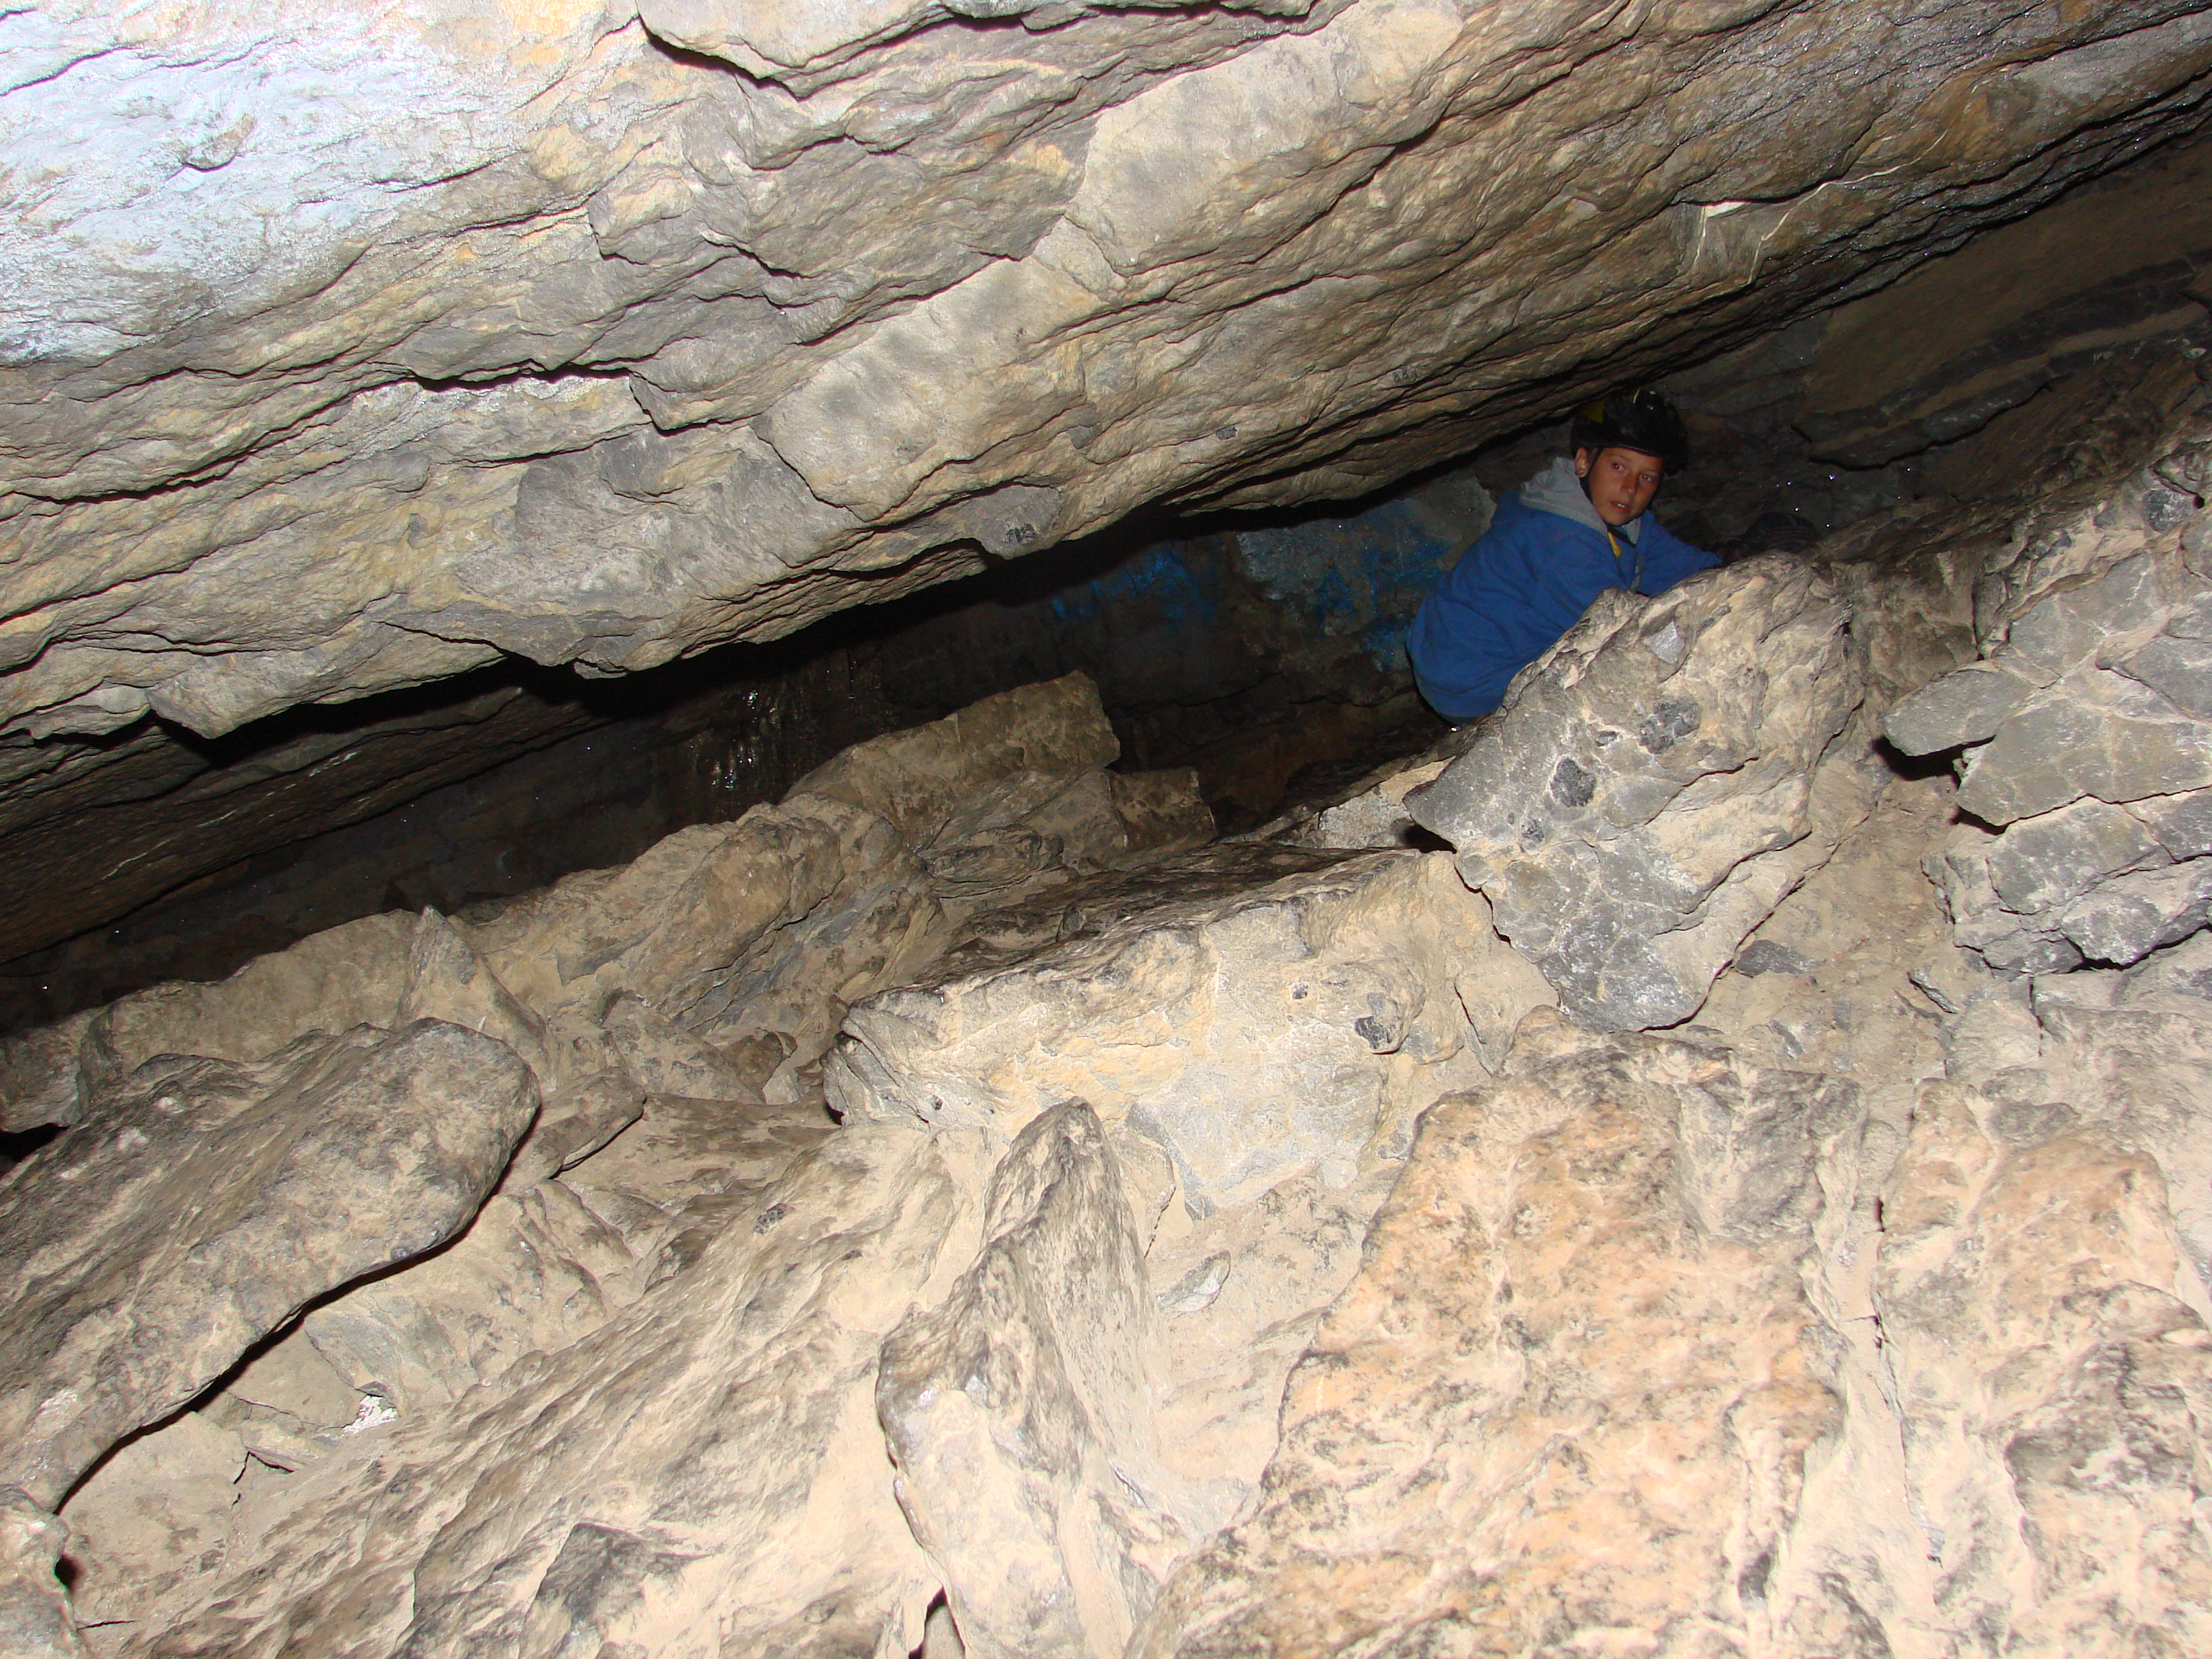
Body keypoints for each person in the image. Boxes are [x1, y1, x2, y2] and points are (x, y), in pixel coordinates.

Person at [1408, 390, 1719, 722]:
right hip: (1470, 680)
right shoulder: (1560, 539)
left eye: (1647, 477)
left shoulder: (1617, 518)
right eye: (1618, 467)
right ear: (1584, 462)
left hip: (1478, 648)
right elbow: (1622, 636)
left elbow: (1689, 569)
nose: (1631, 488)